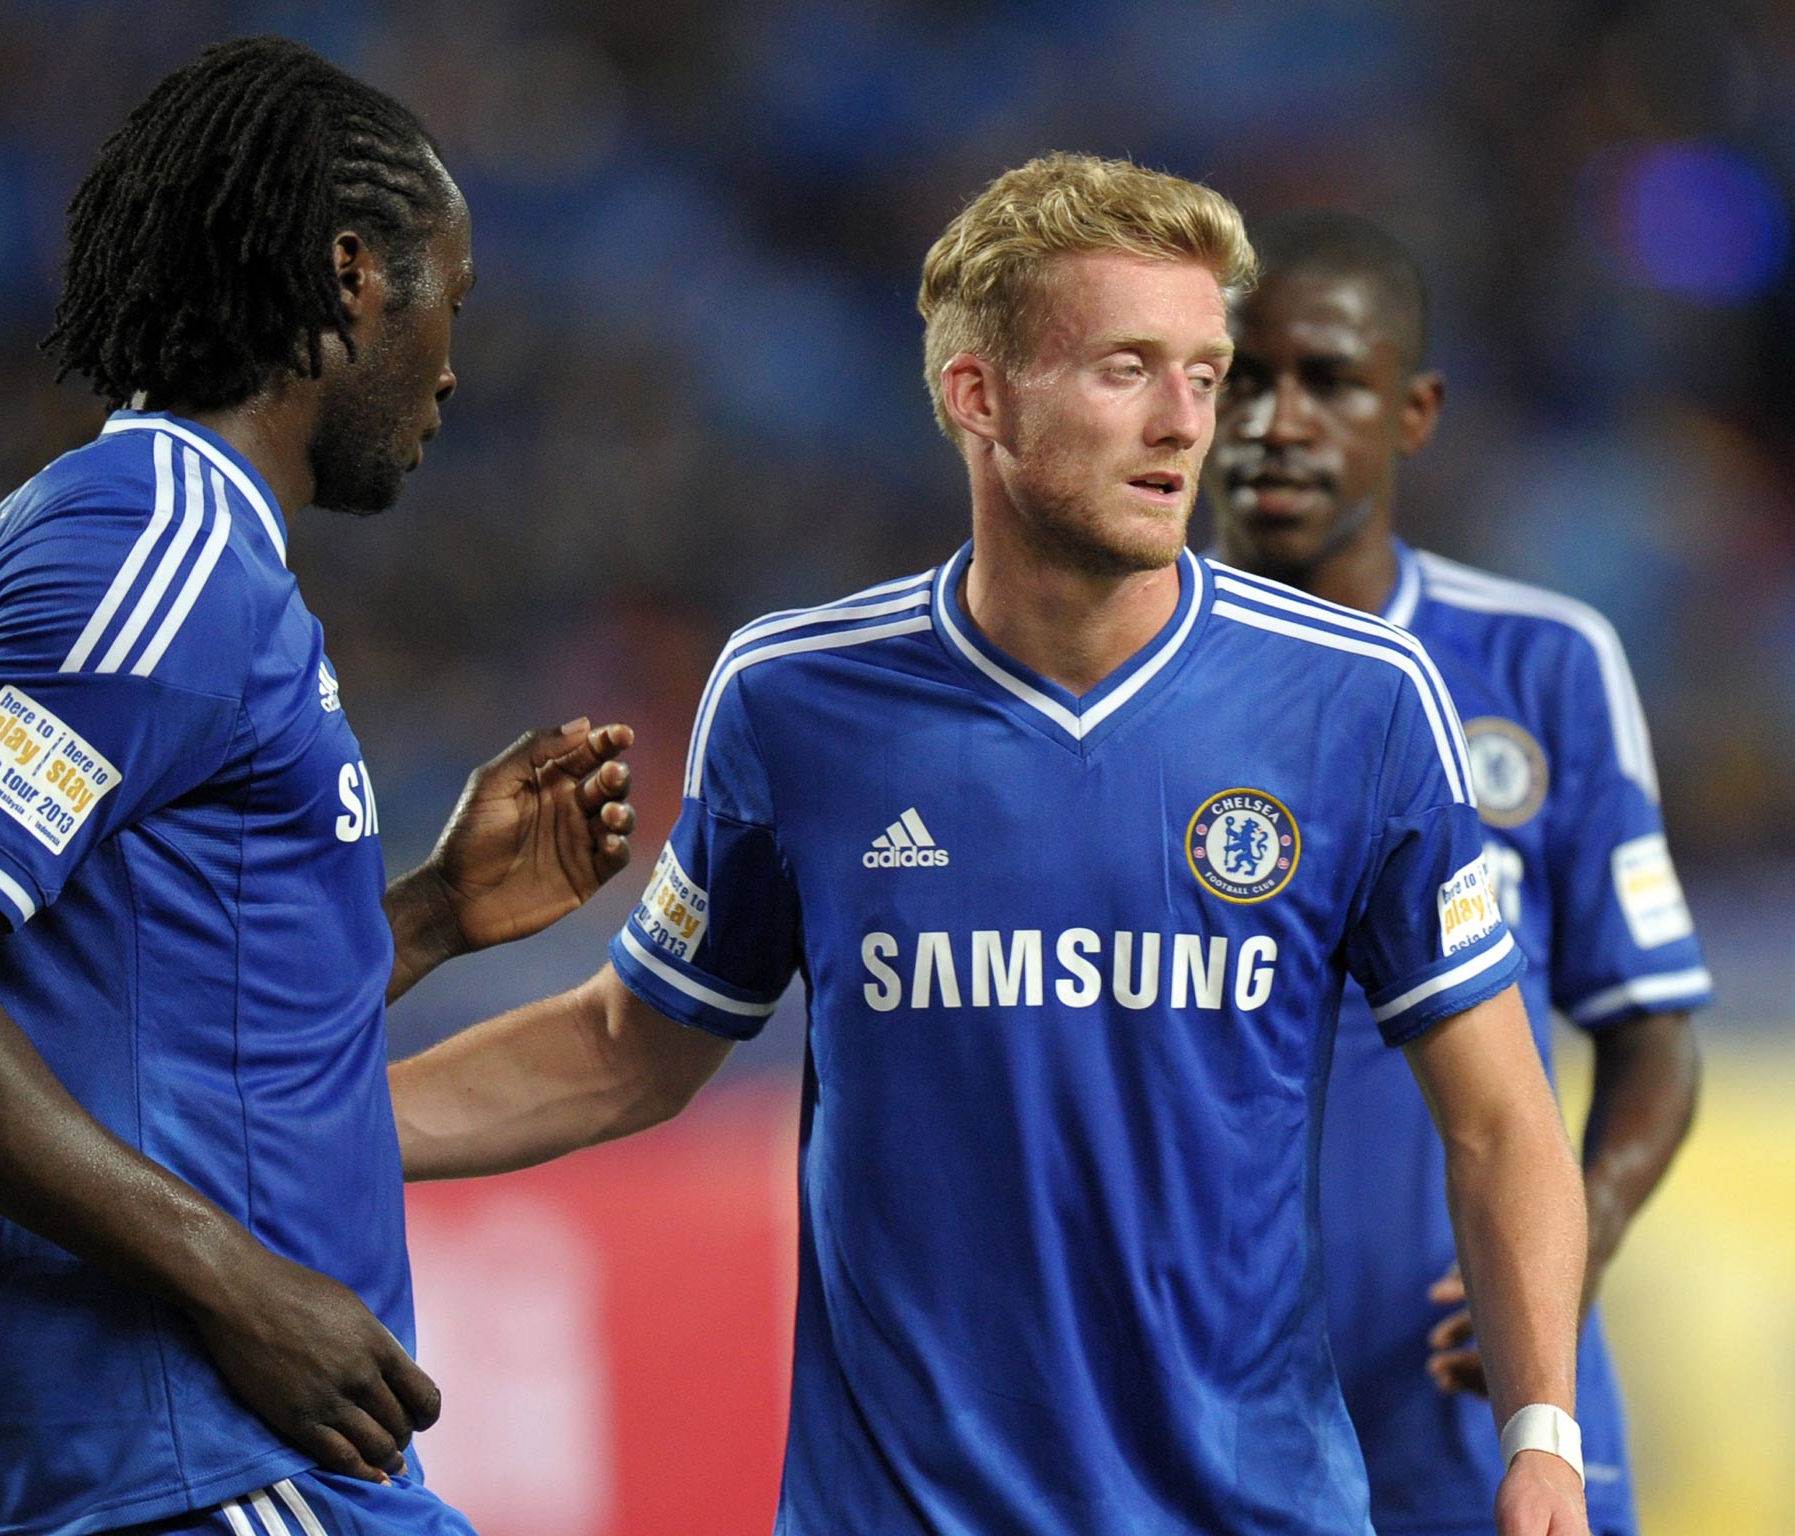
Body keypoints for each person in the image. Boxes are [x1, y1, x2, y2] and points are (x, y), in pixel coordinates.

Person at [383, 154, 1592, 1536]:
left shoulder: (1359, 701)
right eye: (1127, 366)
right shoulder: (795, 701)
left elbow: (1499, 1116)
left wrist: (1541, 1440)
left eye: (1206, 373)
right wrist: (309, 1134)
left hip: (1253, 1511)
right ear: (979, 396)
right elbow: (627, 1052)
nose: (1186, 423)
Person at [0, 37, 638, 1536]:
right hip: (194, 1460)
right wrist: (241, 1288)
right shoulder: (150, 552)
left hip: (182, 1464)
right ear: (354, 276)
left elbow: (145, 1020)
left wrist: (427, 917)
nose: (453, 363)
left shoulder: (179, 556)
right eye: (452, 298)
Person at [1205, 210, 1710, 1536]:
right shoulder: (1120, 686)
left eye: (1328, 381)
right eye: (1241, 380)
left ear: (1414, 412)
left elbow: (1654, 1037)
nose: (1274, 421)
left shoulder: (1544, 664)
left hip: (1486, 1407)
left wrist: (1571, 1257)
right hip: (1207, 1396)